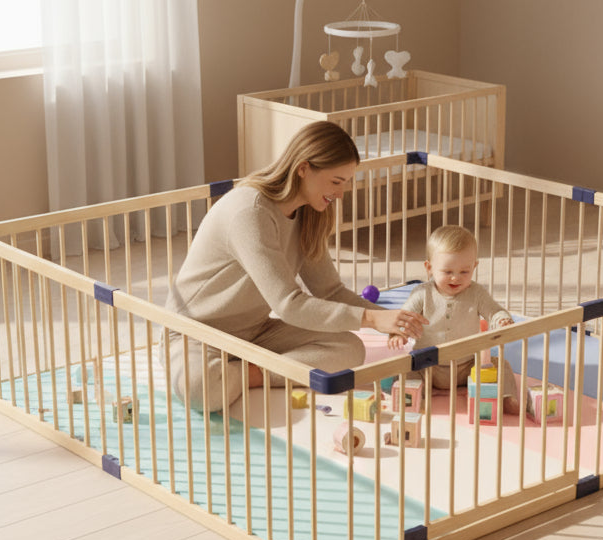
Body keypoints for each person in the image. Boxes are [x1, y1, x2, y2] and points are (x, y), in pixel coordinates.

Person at [162, 121, 427, 412]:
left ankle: (250, 373)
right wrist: (373, 319)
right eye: (336, 182)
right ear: (303, 169)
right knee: (203, 389)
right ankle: (243, 371)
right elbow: (288, 304)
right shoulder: (249, 211)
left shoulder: (308, 215)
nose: (341, 194)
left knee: (350, 349)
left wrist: (391, 320)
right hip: (196, 333)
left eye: (346, 183)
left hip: (254, 331)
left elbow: (330, 291)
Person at [387, 224, 523, 415]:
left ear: (474, 266)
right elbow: (404, 317)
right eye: (448, 272)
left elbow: (494, 311)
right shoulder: (422, 293)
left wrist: (502, 319)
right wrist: (398, 334)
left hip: (468, 365)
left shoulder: (477, 293)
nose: (455, 278)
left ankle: (507, 398)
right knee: (404, 369)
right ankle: (414, 401)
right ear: (429, 268)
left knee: (501, 365)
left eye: (464, 272)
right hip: (427, 366)